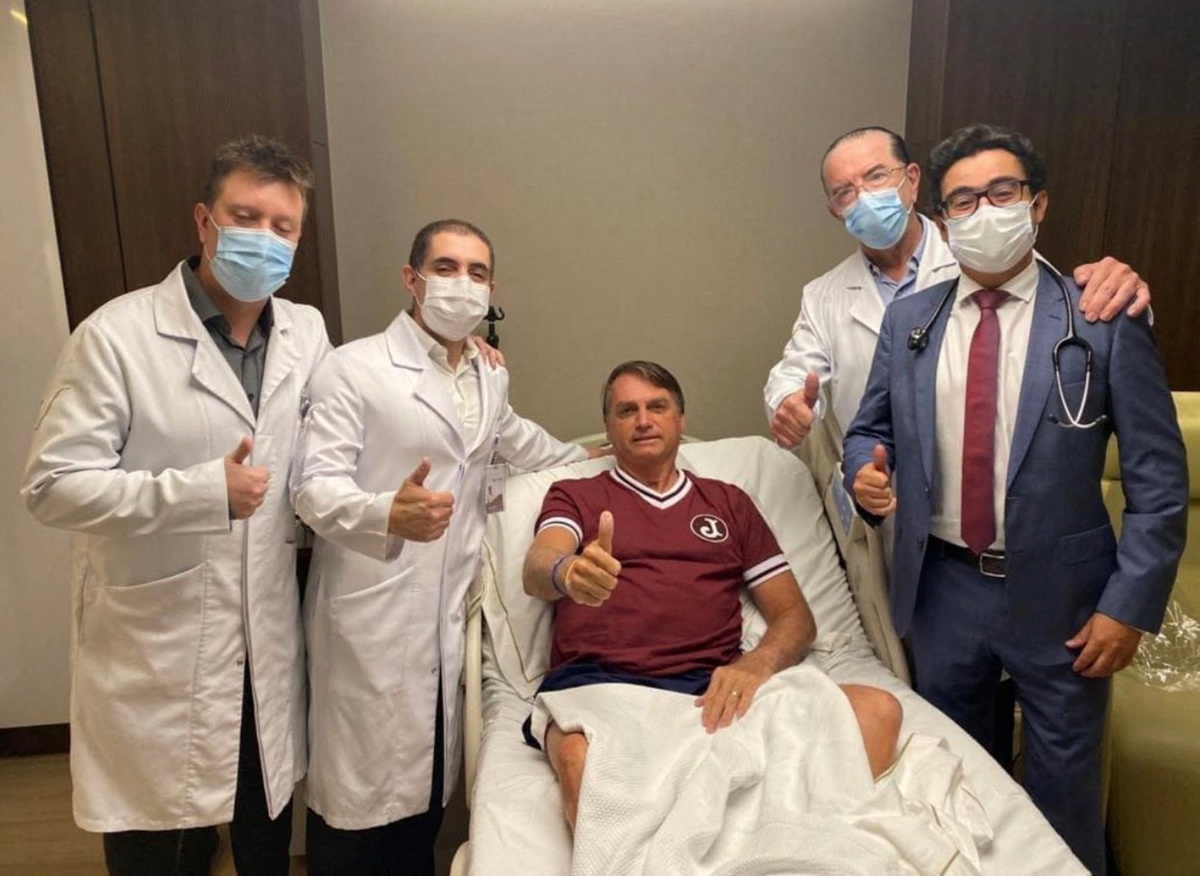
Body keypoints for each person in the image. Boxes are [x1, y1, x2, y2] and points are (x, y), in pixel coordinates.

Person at [842, 124, 1188, 875]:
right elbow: (870, 431)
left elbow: (1160, 483)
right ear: (942, 218)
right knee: (955, 787)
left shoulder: (1101, 317)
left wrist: (1128, 606)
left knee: (1065, 798)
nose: (983, 211)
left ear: (1038, 205)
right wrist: (863, 475)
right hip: (942, 591)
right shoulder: (911, 320)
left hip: (1064, 601)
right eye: (963, 200)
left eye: (1002, 192)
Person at [21, 135, 333, 876]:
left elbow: (346, 424)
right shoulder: (116, 337)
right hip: (156, 636)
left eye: (283, 225)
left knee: (263, 823)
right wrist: (201, 493)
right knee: (155, 839)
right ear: (204, 220)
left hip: (265, 632)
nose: (264, 238)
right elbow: (51, 485)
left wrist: (459, 356)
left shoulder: (307, 332)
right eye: (245, 216)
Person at [293, 219, 598, 876]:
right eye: (446, 268)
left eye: (477, 273)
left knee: (424, 791)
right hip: (372, 610)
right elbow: (311, 489)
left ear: (492, 290)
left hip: (447, 614)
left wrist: (593, 458)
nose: (463, 284)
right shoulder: (353, 369)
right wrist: (385, 512)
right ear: (412, 279)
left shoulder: (488, 375)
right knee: (353, 803)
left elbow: (515, 440)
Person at [522, 360, 903, 830]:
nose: (643, 420)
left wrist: (756, 665)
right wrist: (568, 572)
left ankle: (801, 842)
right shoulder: (576, 496)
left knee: (877, 712)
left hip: (712, 691)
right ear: (609, 425)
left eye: (657, 406)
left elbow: (795, 618)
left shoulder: (728, 503)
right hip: (602, 687)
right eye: (627, 410)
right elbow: (538, 567)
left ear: (680, 419)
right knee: (580, 763)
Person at [764, 125, 1151, 450]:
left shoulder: (986, 255)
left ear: (911, 179)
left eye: (876, 176)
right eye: (844, 191)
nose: (863, 197)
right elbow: (794, 375)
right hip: (875, 485)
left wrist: (1119, 290)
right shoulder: (823, 295)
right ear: (835, 210)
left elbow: (1071, 312)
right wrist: (788, 404)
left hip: (975, 479)